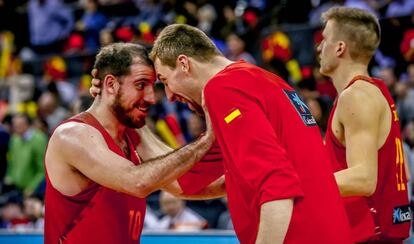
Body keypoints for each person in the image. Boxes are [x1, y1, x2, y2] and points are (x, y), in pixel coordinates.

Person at [148, 24, 352, 244]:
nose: (168, 96)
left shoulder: (223, 89)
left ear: (184, 64)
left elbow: (278, 185)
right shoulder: (262, 80)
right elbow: (184, 180)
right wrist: (138, 130)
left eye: (166, 81)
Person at [44, 43, 221, 244]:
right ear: (110, 84)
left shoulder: (131, 132)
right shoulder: (73, 135)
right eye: (140, 85)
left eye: (152, 87)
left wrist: (248, 176)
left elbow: (183, 182)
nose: (151, 97)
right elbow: (138, 182)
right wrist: (208, 139)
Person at [317, 6, 411, 243]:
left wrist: (299, 181)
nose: (319, 47)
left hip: (370, 235)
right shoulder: (375, 90)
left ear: (340, 47)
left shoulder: (356, 96)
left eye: (324, 39)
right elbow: (404, 172)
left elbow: (364, 179)